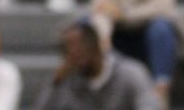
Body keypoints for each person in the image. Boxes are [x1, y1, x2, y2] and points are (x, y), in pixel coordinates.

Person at [32, 22, 161, 110]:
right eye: (67, 51)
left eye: (79, 49)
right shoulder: (69, 79)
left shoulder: (131, 73)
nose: (73, 55)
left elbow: (150, 106)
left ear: (97, 47)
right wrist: (56, 82)